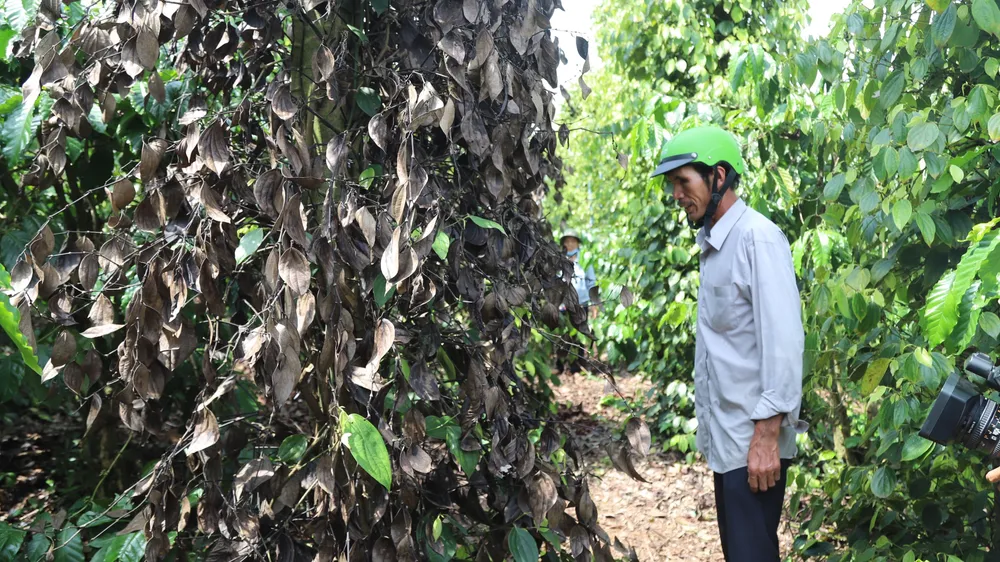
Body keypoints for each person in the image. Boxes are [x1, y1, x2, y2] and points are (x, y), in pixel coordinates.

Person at [650, 125, 808, 562]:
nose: (676, 194)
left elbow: (784, 343)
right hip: (731, 443)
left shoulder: (756, 238)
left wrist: (766, 437)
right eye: (673, 185)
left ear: (718, 176)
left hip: (754, 442)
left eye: (684, 181)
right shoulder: (716, 244)